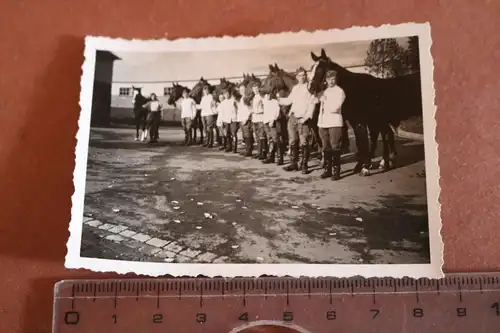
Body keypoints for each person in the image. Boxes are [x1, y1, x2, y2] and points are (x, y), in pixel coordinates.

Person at [278, 67, 317, 174]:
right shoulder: (295, 88)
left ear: (306, 76)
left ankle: (304, 165)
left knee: (304, 142)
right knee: (292, 141)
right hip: (293, 118)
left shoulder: (310, 87)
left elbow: (312, 104)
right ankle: (293, 163)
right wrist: (277, 99)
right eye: (300, 75)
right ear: (296, 77)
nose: (302, 77)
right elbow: (289, 101)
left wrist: (307, 117)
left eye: (304, 75)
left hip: (303, 119)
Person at [317, 70, 346, 181]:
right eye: (329, 79)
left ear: (336, 79)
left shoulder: (340, 92)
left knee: (335, 147)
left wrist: (325, 101)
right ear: (326, 80)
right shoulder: (325, 91)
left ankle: (336, 171)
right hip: (324, 122)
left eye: (333, 79)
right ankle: (327, 170)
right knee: (326, 147)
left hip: (334, 122)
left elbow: (336, 108)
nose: (331, 81)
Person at [261, 87, 283, 165]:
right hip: (266, 122)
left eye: (269, 94)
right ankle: (271, 157)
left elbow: (277, 111)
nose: (268, 96)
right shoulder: (264, 101)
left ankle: (279, 158)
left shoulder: (275, 102)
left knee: (276, 139)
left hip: (273, 122)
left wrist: (273, 119)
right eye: (266, 94)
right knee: (270, 140)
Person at [236, 83, 253, 157]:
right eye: (240, 90)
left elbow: (249, 110)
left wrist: (246, 118)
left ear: (245, 90)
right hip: (241, 119)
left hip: (245, 119)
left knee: (247, 135)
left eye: (242, 89)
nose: (241, 91)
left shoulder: (246, 98)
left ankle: (249, 151)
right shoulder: (241, 98)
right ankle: (247, 149)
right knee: (245, 135)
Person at [251, 83, 267, 160]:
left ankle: (263, 153)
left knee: (262, 136)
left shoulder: (262, 96)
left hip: (261, 118)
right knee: (257, 136)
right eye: (254, 89)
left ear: (259, 88)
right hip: (255, 119)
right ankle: (259, 152)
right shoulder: (254, 97)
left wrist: (258, 111)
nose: (255, 90)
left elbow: (265, 106)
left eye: (256, 88)